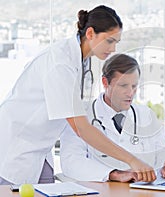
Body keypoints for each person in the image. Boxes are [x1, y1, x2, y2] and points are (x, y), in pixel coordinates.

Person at [0, 5, 156, 185]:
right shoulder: (60, 63)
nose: (113, 49)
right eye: (109, 41)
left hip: (39, 150)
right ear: (90, 33)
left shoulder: (80, 60)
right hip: (13, 148)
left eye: (116, 42)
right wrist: (132, 160)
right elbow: (81, 128)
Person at [60, 54, 165, 182]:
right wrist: (113, 174)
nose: (130, 93)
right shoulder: (82, 116)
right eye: (123, 86)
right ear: (105, 82)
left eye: (134, 86)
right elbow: (71, 161)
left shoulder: (145, 115)